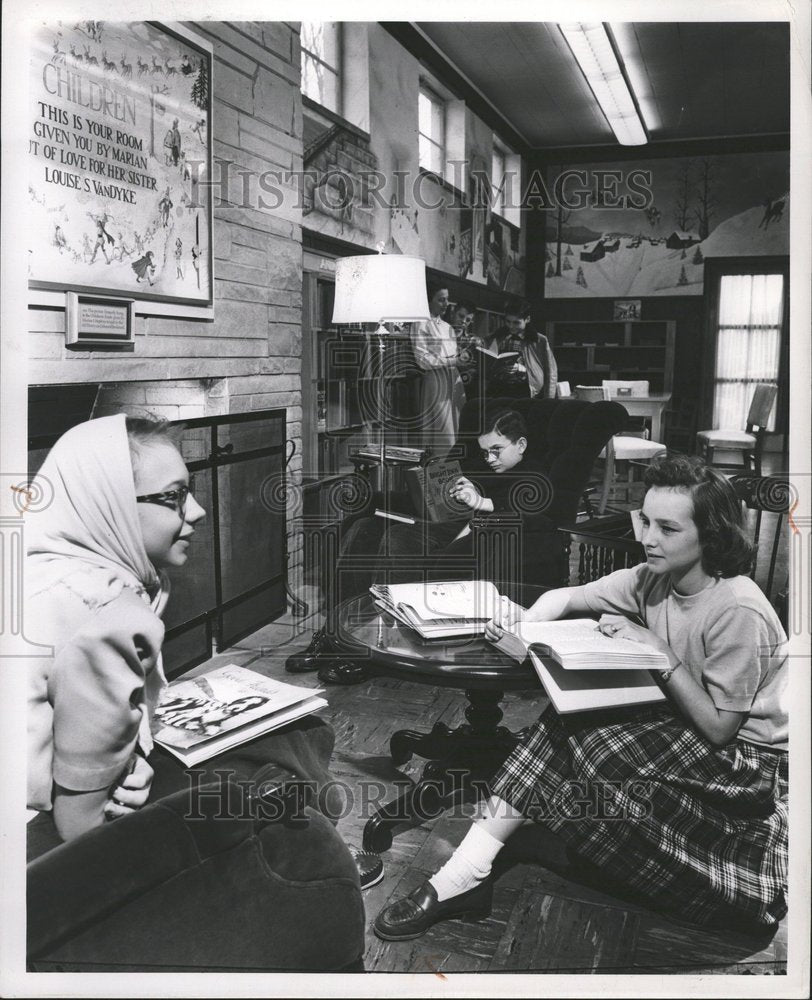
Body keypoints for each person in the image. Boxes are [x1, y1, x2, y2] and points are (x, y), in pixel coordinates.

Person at [374, 454, 788, 939]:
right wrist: (525, 627)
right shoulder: (654, 577)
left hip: (747, 760)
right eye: (646, 521)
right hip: (685, 718)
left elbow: (721, 727)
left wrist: (656, 651)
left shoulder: (737, 608)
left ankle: (465, 874)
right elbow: (567, 597)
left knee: (588, 743)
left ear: (710, 535)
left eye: (667, 529)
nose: (648, 539)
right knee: (569, 719)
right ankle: (465, 873)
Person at [24, 415, 379, 891]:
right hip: (39, 846)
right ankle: (308, 864)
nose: (197, 511)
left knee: (291, 734)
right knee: (295, 739)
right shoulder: (105, 613)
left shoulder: (41, 566)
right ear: (109, 505)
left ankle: (318, 842)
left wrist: (134, 755)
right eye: (172, 497)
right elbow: (81, 830)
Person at [308, 410, 551, 686]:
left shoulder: (535, 472)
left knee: (399, 538)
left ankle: (377, 648)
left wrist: (482, 502)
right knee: (362, 526)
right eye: (485, 452)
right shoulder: (485, 464)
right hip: (445, 521)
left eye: (497, 450)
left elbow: (534, 511)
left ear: (520, 444)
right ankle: (335, 637)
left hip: (474, 534)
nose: (490, 459)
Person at [411, 282, 466, 459]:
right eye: (441, 300)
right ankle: (439, 480)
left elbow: (452, 355)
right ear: (428, 300)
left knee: (458, 430)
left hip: (454, 382)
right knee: (443, 435)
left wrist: (463, 358)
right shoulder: (420, 324)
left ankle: (456, 480)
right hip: (436, 383)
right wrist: (452, 361)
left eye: (447, 300)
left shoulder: (446, 326)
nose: (446, 304)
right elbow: (422, 360)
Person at [485, 299, 557, 400]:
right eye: (508, 321)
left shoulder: (539, 340)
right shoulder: (496, 337)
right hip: (499, 391)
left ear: (527, 319)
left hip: (527, 392)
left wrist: (549, 399)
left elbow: (551, 372)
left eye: (516, 323)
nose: (511, 326)